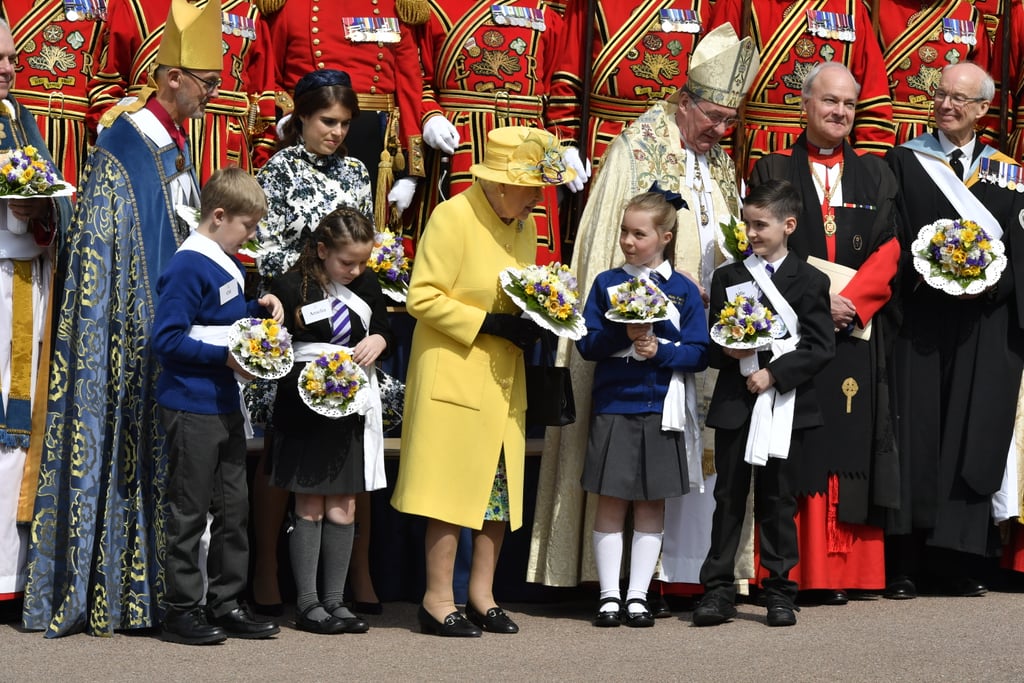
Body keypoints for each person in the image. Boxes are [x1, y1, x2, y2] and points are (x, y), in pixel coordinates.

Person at [528, 23, 758, 600]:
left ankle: (695, 573)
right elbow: (611, 248)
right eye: (715, 120)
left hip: (700, 336)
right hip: (632, 362)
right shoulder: (636, 148)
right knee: (628, 478)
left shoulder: (721, 160)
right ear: (687, 103)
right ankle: (627, 585)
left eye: (732, 123)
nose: (722, 132)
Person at [23, 0, 223, 637]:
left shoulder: (180, 145)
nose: (215, 94)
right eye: (206, 82)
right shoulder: (122, 142)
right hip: (132, 337)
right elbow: (98, 256)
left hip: (175, 329)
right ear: (170, 78)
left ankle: (168, 594)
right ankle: (119, 590)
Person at [391, 126, 576, 637]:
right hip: (453, 372)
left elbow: (525, 289)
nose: (539, 197)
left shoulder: (523, 226)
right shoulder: (452, 216)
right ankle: (435, 599)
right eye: (531, 186)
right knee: (448, 493)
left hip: (502, 379)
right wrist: (489, 323)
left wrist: (540, 316)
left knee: (499, 493)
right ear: (498, 184)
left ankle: (481, 594)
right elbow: (421, 298)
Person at [748, 62, 901, 604]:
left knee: (849, 437)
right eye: (829, 102)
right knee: (795, 448)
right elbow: (760, 245)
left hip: (854, 334)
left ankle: (843, 572)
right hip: (793, 331)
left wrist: (854, 304)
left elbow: (890, 249)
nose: (840, 113)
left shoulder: (878, 173)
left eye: (849, 105)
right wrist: (818, 302)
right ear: (805, 106)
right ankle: (794, 570)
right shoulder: (772, 167)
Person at [885, 61, 1024, 599]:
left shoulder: (1009, 173)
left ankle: (957, 559)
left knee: (971, 434)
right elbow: (890, 238)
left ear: (984, 109)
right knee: (913, 432)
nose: (946, 105)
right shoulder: (903, 161)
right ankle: (904, 560)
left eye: (960, 99)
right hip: (919, 316)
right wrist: (926, 277)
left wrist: (989, 285)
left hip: (982, 324)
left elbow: (1020, 253)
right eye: (939, 95)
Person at [249, 68, 373, 612]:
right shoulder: (278, 168)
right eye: (327, 121)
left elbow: (367, 242)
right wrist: (312, 282)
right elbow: (264, 249)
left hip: (349, 315)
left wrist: (356, 285)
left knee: (350, 457)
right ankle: (268, 570)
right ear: (300, 117)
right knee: (286, 457)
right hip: (299, 313)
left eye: (345, 123)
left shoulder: (356, 171)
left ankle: (349, 579)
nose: (337, 132)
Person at [693, 179, 835, 628]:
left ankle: (779, 589)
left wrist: (774, 373)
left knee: (778, 500)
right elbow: (715, 344)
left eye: (761, 225)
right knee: (728, 497)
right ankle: (717, 590)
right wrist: (730, 352)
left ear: (788, 225)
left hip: (787, 405)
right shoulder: (728, 277)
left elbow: (819, 346)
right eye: (748, 224)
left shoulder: (812, 278)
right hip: (737, 401)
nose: (752, 233)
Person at [151, 167, 283, 644]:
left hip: (223, 401)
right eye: (248, 225)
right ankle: (181, 610)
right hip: (190, 403)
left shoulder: (225, 258)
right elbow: (166, 340)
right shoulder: (190, 264)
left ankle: (226, 603)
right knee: (189, 511)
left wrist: (258, 308)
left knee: (234, 508)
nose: (253, 234)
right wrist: (225, 357)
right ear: (219, 216)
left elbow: (222, 316)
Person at [577, 191, 709, 627]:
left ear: (665, 238)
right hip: (615, 405)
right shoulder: (606, 283)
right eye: (624, 232)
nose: (628, 241)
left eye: (639, 234)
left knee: (652, 503)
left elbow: (698, 352)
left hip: (661, 409)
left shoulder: (682, 290)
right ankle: (609, 596)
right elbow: (588, 344)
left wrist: (660, 351)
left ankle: (639, 595)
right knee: (612, 499)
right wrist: (624, 333)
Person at [269, 206, 394, 634]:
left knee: (344, 505)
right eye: (346, 262)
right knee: (310, 504)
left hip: (349, 408)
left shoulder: (368, 284)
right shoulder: (291, 286)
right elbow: (277, 347)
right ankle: (307, 604)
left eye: (362, 261)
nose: (355, 270)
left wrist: (379, 336)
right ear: (322, 250)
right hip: (304, 407)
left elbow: (384, 328)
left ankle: (336, 601)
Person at [409, 0, 587, 263]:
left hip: (529, 139)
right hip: (463, 138)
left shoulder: (543, 11)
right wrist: (430, 115)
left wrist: (565, 141)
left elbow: (558, 81)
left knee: (532, 246)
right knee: (462, 238)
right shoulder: (433, 7)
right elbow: (418, 74)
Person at [0, 17, 73, 620]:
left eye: (12, 58)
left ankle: (10, 574)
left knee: (20, 428)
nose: (8, 69)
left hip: (27, 284)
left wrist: (40, 212)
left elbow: (55, 210)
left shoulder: (19, 116)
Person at [262, 0, 426, 235]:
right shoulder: (292, 7)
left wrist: (410, 169)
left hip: (377, 144)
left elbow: (410, 86)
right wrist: (289, 115)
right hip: (310, 136)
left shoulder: (393, 7)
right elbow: (270, 75)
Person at [87, 0, 278, 179]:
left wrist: (261, 164)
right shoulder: (134, 6)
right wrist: (124, 142)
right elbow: (109, 84)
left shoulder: (246, 13)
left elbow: (262, 99)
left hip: (225, 150)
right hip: (150, 143)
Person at [710, 0, 895, 175]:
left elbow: (873, 103)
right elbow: (715, 91)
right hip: (757, 152)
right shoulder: (739, 3)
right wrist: (719, 163)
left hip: (832, 158)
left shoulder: (850, 7)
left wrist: (867, 170)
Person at [548, 0, 710, 172]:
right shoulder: (588, 3)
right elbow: (568, 73)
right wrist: (566, 142)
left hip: (676, 140)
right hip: (608, 137)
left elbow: (711, 84)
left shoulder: (701, 4)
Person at [1, 0, 106, 187]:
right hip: (18, 124)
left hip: (77, 138)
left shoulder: (103, 3)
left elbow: (109, 72)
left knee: (68, 208)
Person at [875, 0, 988, 147]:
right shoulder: (877, 7)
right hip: (892, 133)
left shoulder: (970, 15)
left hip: (951, 136)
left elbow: (982, 86)